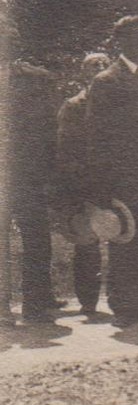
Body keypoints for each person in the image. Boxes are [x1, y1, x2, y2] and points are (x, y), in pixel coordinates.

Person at [86, 15, 138, 325]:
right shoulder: (106, 81)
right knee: (126, 242)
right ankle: (125, 307)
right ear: (122, 41)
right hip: (124, 177)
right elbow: (96, 137)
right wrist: (102, 188)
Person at [4, 36, 60, 324]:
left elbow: (49, 138)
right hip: (14, 178)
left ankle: (36, 302)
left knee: (37, 240)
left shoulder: (34, 87)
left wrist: (48, 176)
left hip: (28, 178)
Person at [56, 52, 114, 318]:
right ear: (84, 73)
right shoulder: (73, 106)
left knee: (121, 236)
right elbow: (65, 147)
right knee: (87, 241)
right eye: (94, 66)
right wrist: (76, 181)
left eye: (104, 65)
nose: (99, 69)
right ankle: (89, 301)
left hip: (114, 178)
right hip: (84, 181)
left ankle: (120, 297)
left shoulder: (118, 103)